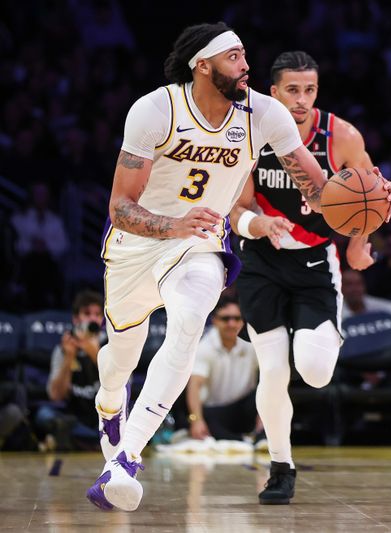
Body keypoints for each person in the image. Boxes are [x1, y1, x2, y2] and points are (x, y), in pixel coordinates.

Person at [86, 23, 330, 512]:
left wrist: (364, 197)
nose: (247, 65)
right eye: (235, 57)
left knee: (188, 322)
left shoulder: (264, 112)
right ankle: (110, 405)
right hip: (138, 245)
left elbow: (320, 192)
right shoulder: (156, 109)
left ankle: (126, 458)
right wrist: (173, 225)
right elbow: (120, 206)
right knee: (120, 361)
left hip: (200, 245)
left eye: (245, 55)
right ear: (203, 64)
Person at [229, 51, 391, 505]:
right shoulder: (248, 132)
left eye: (310, 90)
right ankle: (281, 467)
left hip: (315, 265)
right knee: (273, 370)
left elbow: (371, 200)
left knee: (316, 372)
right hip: (262, 262)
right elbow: (236, 207)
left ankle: (323, 337)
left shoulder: (340, 135)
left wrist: (361, 244)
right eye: (292, 90)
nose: (301, 100)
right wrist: (259, 225)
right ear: (273, 91)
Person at [36, 290, 105, 450]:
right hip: (73, 416)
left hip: (103, 415)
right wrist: (69, 357)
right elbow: (56, 395)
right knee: (43, 414)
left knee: (132, 414)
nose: (93, 318)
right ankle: (89, 440)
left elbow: (123, 387)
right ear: (76, 319)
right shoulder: (63, 348)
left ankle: (75, 439)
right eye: (87, 313)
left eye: (97, 314)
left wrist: (95, 354)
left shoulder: (110, 345)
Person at [186, 297, 259, 442]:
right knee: (213, 433)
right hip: (215, 411)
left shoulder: (253, 343)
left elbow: (270, 378)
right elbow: (194, 385)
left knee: (268, 385)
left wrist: (265, 417)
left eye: (237, 318)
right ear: (214, 320)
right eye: (225, 319)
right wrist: (196, 420)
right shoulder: (204, 347)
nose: (231, 324)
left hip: (245, 408)